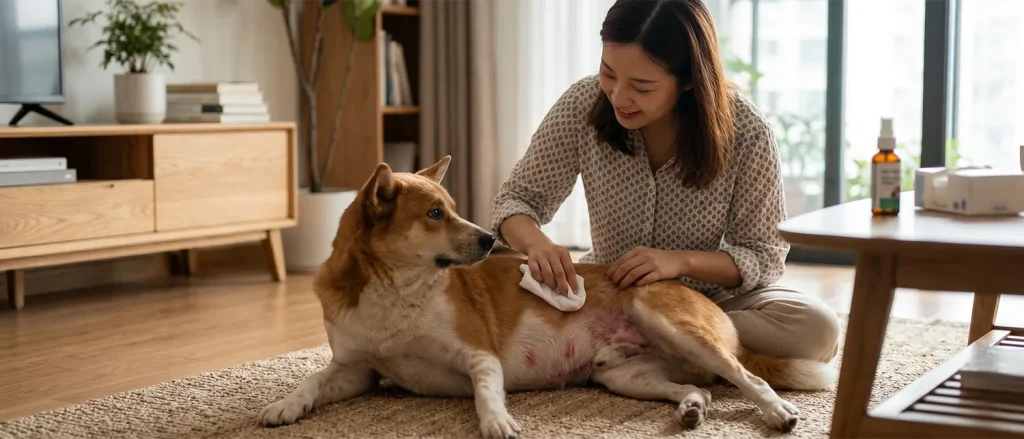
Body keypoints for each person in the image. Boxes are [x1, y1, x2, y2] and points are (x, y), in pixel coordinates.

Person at [490, 0, 841, 363]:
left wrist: (679, 262)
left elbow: (764, 256)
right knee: (488, 306)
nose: (619, 96)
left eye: (642, 86)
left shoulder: (747, 132)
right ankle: (678, 348)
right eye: (608, 73)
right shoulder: (583, 103)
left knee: (817, 331)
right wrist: (537, 245)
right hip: (609, 293)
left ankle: (658, 339)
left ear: (689, 78)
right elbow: (516, 201)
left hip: (711, 299)